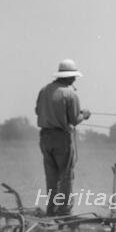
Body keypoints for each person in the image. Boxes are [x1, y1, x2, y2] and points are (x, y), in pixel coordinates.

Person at [35, 59, 90, 216]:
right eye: (73, 76)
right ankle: (65, 212)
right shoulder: (69, 93)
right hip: (61, 139)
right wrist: (84, 115)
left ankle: (51, 211)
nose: (74, 79)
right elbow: (74, 120)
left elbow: (37, 111)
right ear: (68, 77)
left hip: (45, 137)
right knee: (65, 177)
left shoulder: (44, 90)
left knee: (51, 176)